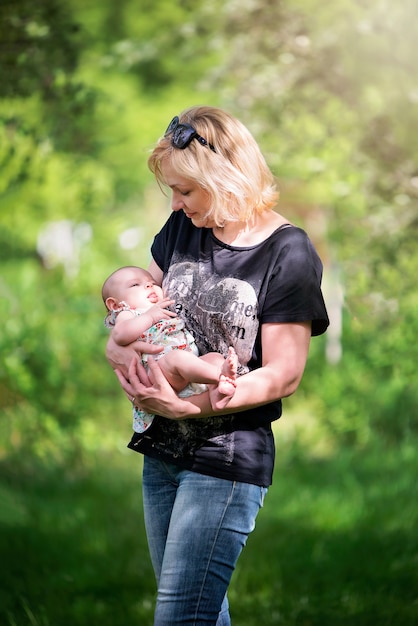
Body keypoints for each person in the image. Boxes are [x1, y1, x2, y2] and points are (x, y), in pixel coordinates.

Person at [106, 105, 329, 625]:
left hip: (224, 458)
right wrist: (120, 351)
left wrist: (190, 408)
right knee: (201, 614)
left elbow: (284, 374)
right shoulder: (184, 229)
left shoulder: (288, 252)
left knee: (180, 618)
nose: (177, 205)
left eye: (187, 191)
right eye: (173, 193)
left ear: (224, 176)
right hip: (160, 450)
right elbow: (138, 309)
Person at [102, 265, 238, 432]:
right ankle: (221, 377)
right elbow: (120, 335)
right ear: (114, 305)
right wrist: (150, 316)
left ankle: (217, 392)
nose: (149, 285)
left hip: (182, 369)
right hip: (155, 374)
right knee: (176, 358)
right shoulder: (127, 313)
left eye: (152, 282)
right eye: (135, 285)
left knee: (214, 358)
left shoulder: (157, 310)